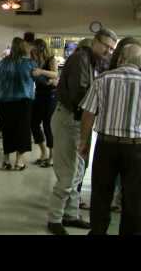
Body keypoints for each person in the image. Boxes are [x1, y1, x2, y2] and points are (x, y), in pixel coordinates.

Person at [47, 28, 117, 235]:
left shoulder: (94, 61)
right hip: (68, 119)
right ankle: (55, 218)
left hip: (77, 120)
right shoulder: (80, 59)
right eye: (106, 46)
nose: (108, 51)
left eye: (112, 48)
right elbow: (80, 93)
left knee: (78, 172)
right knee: (68, 174)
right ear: (95, 41)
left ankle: (71, 214)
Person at [78, 44, 141, 235]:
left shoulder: (102, 79)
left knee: (101, 195)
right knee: (134, 198)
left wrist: (84, 142)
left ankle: (98, 231)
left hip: (106, 145)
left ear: (120, 58)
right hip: (136, 148)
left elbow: (88, 113)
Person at [0, 36, 45, 171]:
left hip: (4, 101)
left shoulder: (3, 63)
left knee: (8, 130)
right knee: (22, 130)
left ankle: (6, 160)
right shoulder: (30, 64)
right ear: (24, 49)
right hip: (24, 102)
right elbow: (41, 80)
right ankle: (19, 161)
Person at [31, 39, 59, 168]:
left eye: (35, 49)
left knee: (48, 124)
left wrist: (41, 72)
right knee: (34, 123)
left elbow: (55, 74)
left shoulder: (51, 59)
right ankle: (43, 152)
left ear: (41, 48)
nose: (33, 52)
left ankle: (52, 157)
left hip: (50, 96)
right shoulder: (35, 60)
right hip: (39, 94)